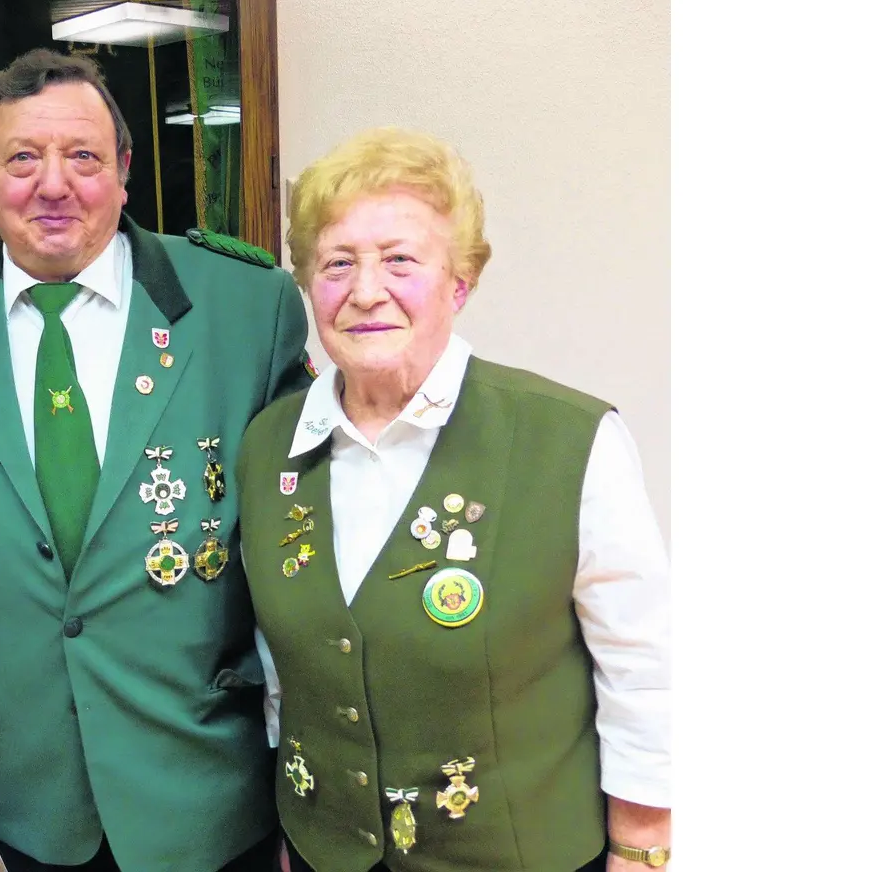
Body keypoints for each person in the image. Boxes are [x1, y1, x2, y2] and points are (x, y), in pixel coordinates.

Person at [0, 48, 311, 872]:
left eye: (82, 157)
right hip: (27, 776)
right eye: (22, 158)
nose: (53, 184)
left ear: (125, 171)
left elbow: (297, 539)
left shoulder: (245, 307)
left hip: (205, 773)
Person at [236, 127, 671, 871]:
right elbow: (285, 669)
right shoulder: (269, 443)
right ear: (310, 285)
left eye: (400, 260)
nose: (366, 290)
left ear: (459, 283)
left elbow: (644, 667)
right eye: (338, 263)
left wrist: (643, 847)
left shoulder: (570, 439)